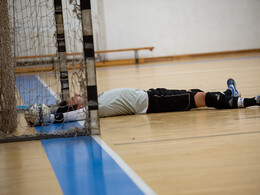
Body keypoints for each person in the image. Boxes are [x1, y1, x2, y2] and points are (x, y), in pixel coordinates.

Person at [24, 78, 260, 126]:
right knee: (198, 98)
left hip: (151, 92)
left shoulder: (96, 99)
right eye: (74, 98)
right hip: (153, 102)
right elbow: (75, 116)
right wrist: (54, 117)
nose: (77, 95)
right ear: (77, 106)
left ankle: (229, 95)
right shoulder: (91, 109)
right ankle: (249, 101)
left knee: (194, 91)